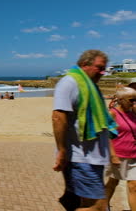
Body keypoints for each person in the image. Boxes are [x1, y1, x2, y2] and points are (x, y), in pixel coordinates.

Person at [52, 49, 118, 211]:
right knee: (98, 207)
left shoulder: (91, 87)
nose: (103, 72)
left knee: (73, 200)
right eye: (99, 67)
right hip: (81, 158)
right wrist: (61, 150)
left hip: (93, 158)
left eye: (104, 68)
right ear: (84, 64)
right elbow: (58, 117)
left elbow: (102, 126)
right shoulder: (70, 83)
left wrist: (111, 153)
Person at [105, 87, 136, 210]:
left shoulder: (133, 112)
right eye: (131, 100)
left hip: (133, 155)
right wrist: (113, 155)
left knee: (133, 185)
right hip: (118, 155)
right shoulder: (112, 114)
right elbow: (107, 136)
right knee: (113, 182)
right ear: (121, 100)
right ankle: (104, 206)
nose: (134, 102)